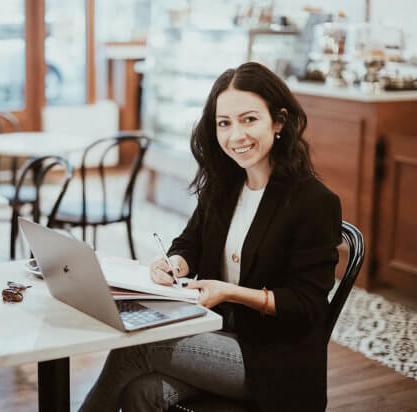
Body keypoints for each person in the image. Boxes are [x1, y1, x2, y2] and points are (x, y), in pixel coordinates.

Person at [79, 62, 342, 412]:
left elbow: (308, 305)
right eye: (224, 123)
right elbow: (190, 242)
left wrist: (230, 291)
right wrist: (176, 262)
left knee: (140, 344)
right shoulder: (225, 184)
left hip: (274, 362)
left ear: (278, 122)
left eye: (249, 119)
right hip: (218, 334)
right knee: (141, 392)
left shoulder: (314, 202)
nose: (236, 136)